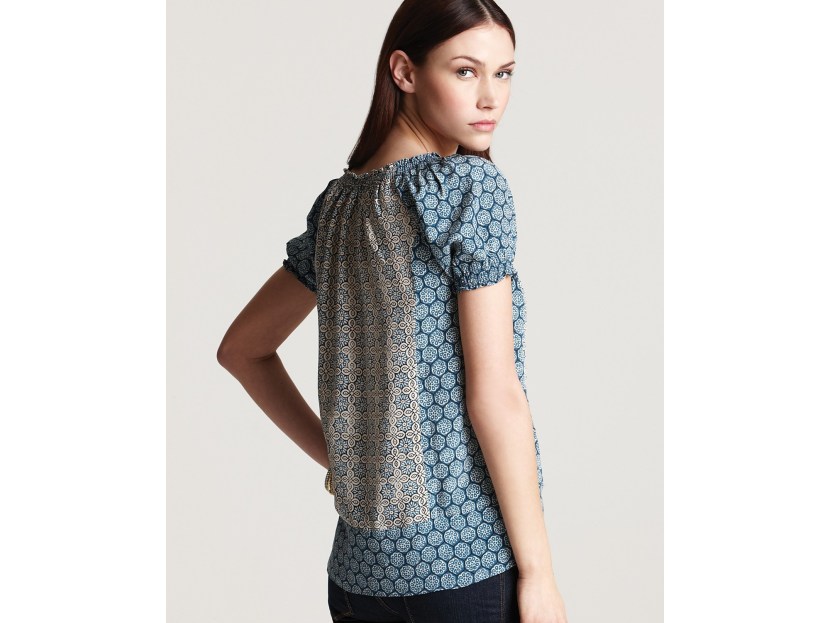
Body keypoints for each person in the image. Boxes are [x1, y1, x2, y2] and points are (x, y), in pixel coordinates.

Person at [217, 0, 568, 621]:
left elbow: (242, 350)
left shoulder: (338, 207)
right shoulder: (468, 189)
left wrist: (348, 460)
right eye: (465, 71)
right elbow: (495, 395)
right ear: (404, 71)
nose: (490, 97)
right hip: (464, 565)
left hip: (358, 577)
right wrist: (539, 575)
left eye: (504, 73)